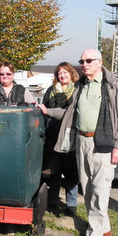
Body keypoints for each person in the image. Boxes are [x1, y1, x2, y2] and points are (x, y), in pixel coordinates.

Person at [44, 49, 118, 236]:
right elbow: (69, 113)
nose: (84, 64)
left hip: (103, 143)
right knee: (90, 189)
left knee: (100, 191)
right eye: (81, 61)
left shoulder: (112, 85)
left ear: (99, 62)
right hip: (81, 141)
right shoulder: (80, 85)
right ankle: (106, 229)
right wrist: (48, 111)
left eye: (88, 60)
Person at [37, 62, 80, 216]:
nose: (62, 75)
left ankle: (71, 204)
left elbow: (69, 113)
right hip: (53, 136)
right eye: (59, 73)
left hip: (70, 136)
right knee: (54, 172)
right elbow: (43, 110)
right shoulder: (50, 91)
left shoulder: (77, 90)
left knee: (71, 173)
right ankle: (53, 201)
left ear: (71, 73)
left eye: (65, 72)